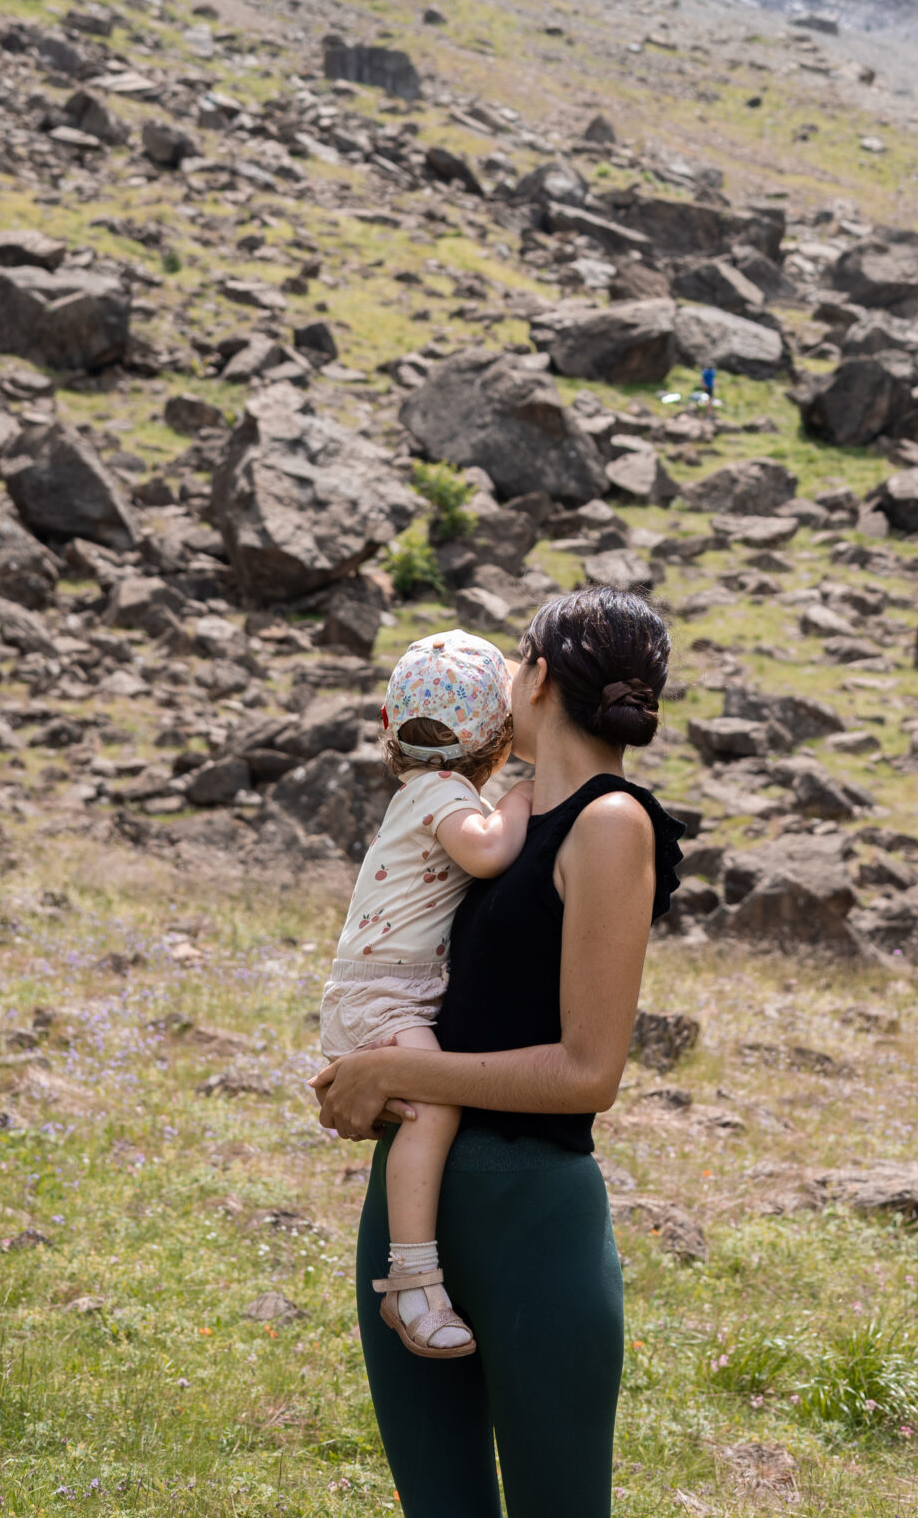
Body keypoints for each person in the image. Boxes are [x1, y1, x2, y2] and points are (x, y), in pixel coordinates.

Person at [311, 588, 685, 1518]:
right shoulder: (483, 823)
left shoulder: (609, 823)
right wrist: (365, 1068)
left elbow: (587, 1072)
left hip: (531, 1221)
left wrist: (391, 1072)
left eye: (510, 664)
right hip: (415, 1224)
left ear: (539, 676)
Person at [318, 630, 532, 1360]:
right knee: (433, 1105)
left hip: (381, 987)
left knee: (424, 1111)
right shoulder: (447, 795)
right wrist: (524, 795)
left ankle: (415, 1273)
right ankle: (411, 1281)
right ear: (497, 739)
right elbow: (486, 850)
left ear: (389, 726)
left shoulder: (420, 790)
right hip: (386, 993)